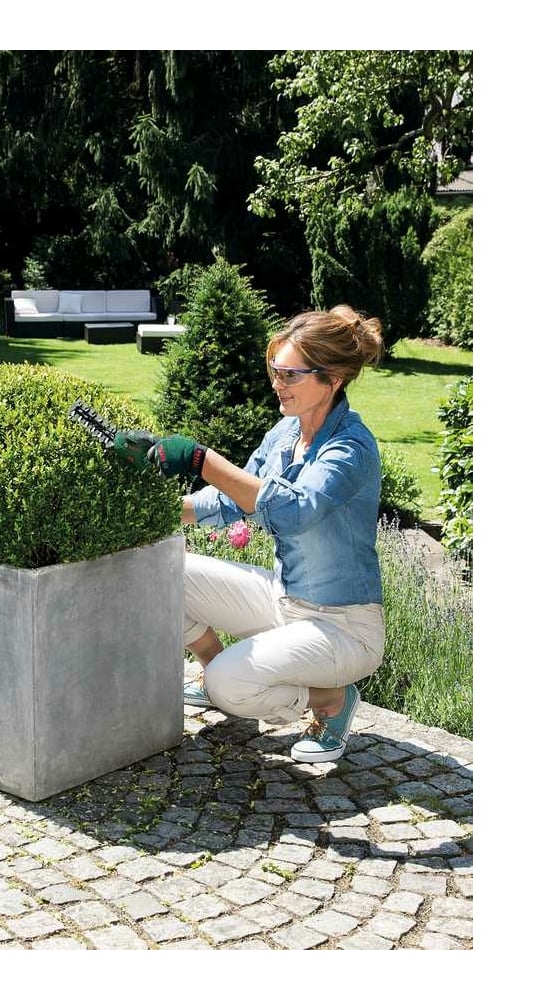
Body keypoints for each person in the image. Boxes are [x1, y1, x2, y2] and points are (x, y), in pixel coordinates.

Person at [112, 305, 385, 763]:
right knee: (160, 571)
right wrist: (153, 512)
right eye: (275, 370)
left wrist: (200, 459)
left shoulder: (350, 448)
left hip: (343, 627)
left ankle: (331, 699)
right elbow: (233, 499)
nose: (278, 383)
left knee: (230, 686)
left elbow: (296, 511)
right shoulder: (285, 434)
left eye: (291, 374)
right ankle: (213, 667)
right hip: (284, 600)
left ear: (333, 379)